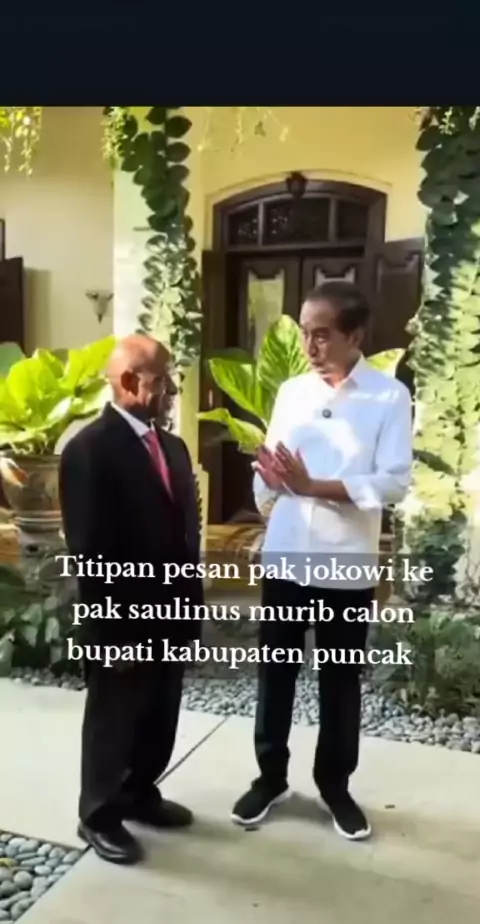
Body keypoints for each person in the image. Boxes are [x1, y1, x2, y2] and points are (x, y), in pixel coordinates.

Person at [231, 281, 412, 840]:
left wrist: (314, 487)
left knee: (339, 680)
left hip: (346, 564)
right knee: (276, 673)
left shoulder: (388, 396)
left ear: (355, 335)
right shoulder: (292, 392)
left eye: (322, 334)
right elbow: (273, 468)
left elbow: (393, 482)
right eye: (306, 332)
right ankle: (270, 778)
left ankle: (335, 785)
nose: (310, 344)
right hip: (287, 556)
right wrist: (272, 487)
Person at [59, 334, 203, 864]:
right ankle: (98, 815)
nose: (172, 390)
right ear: (128, 381)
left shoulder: (173, 447)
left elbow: (185, 532)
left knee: (160, 715)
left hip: (172, 611)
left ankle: (140, 793)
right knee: (114, 720)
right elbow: (91, 553)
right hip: (123, 620)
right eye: (163, 380)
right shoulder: (89, 450)